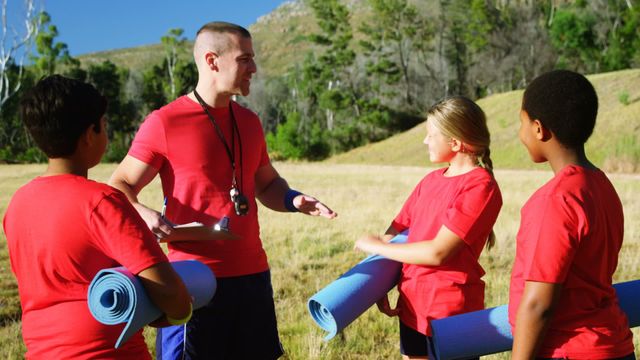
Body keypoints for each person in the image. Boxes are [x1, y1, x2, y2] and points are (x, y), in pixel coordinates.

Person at [108, 21, 337, 359]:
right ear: (213, 60)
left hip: (252, 275)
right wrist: (144, 213)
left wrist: (293, 199)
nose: (254, 69)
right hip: (194, 279)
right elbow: (119, 185)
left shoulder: (250, 122)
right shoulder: (165, 122)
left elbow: (266, 183)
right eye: (245, 59)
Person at [2, 75, 193, 359]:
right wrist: (180, 312)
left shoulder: (17, 204)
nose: (107, 132)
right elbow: (167, 290)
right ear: (89, 134)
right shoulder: (102, 202)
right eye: (104, 124)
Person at [354, 96, 503, 359]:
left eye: (430, 135)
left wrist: (376, 245)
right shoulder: (430, 181)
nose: (425, 141)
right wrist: (378, 283)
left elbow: (438, 252)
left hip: (451, 316)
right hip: (412, 307)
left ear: (455, 142)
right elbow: (396, 234)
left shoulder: (480, 187)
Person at [509, 70, 635, 359]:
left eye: (521, 123)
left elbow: (539, 304)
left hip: (570, 351)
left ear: (539, 128)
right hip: (614, 346)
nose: (521, 132)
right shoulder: (601, 185)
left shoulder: (556, 200)